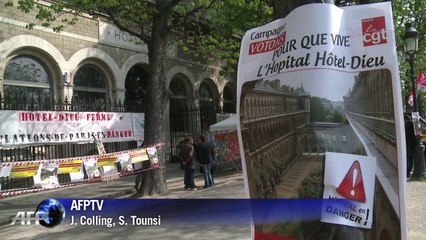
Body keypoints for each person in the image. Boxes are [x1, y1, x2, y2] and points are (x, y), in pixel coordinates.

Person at [405, 114, 416, 178]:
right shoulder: (412, 124)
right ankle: (408, 172)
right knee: (411, 159)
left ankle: (407, 172)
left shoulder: (407, 125)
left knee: (408, 159)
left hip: (409, 144)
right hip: (412, 144)